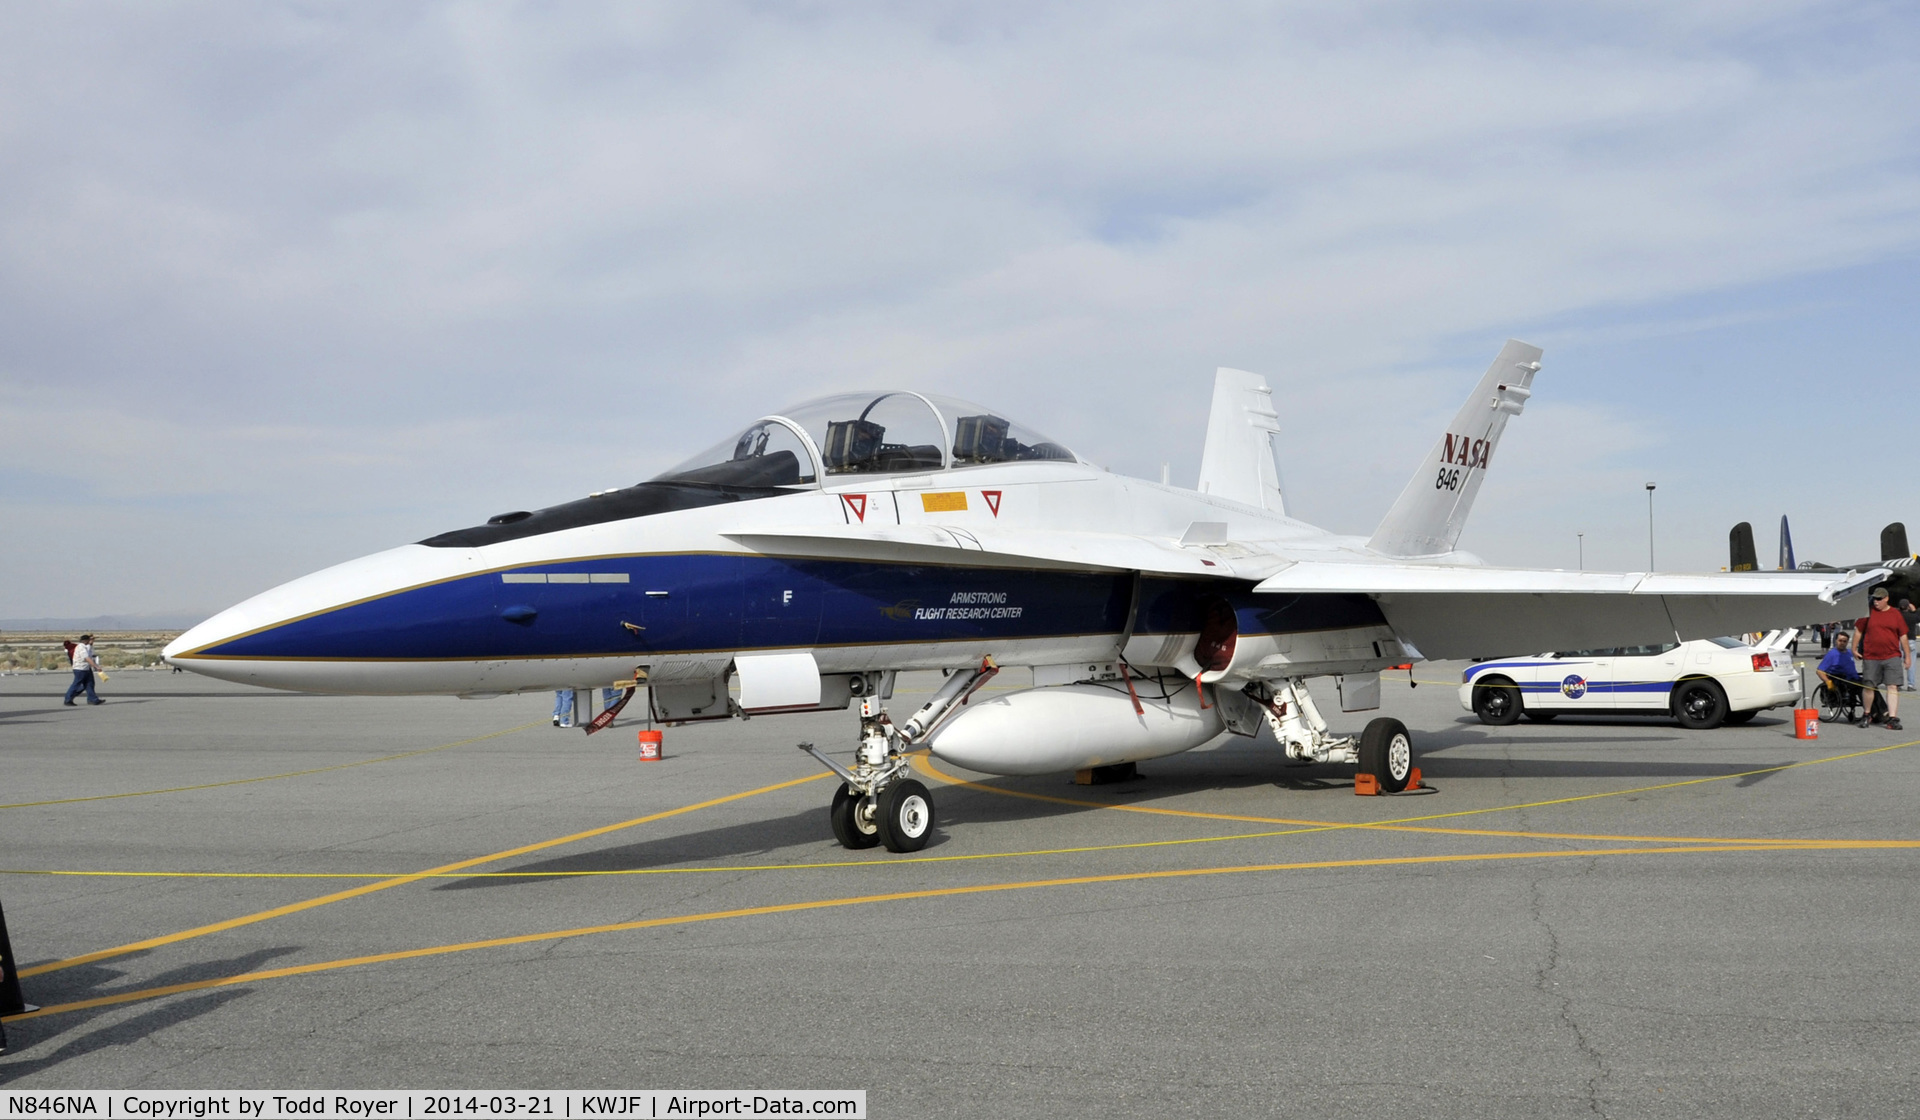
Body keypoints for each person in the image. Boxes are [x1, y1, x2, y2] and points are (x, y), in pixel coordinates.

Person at [1854, 588, 1911, 730]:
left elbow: (1903, 636)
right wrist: (1854, 648)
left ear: (1886, 598)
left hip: (1892, 656)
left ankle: (1892, 718)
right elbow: (1858, 631)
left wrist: (1908, 656)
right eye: (1874, 598)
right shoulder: (1868, 612)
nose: (1876, 601)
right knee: (1868, 686)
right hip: (1871, 656)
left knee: (1892, 686)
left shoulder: (1895, 614)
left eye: (1879, 599)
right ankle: (1867, 714)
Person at [63, 634, 104, 706]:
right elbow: (87, 658)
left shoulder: (87, 646)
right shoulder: (81, 647)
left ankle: (93, 699)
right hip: (80, 669)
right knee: (76, 684)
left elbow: (90, 649)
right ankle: (68, 699)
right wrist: (96, 666)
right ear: (86, 640)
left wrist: (91, 641)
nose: (91, 641)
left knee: (90, 683)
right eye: (90, 640)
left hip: (86, 668)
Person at [1902, 599, 1919, 691]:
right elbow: (1918, 618)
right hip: (1910, 640)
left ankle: (1898, 684)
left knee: (1898, 663)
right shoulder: (1913, 616)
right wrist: (1914, 610)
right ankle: (1910, 685)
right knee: (1911, 663)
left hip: (1899, 640)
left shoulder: (1898, 616)